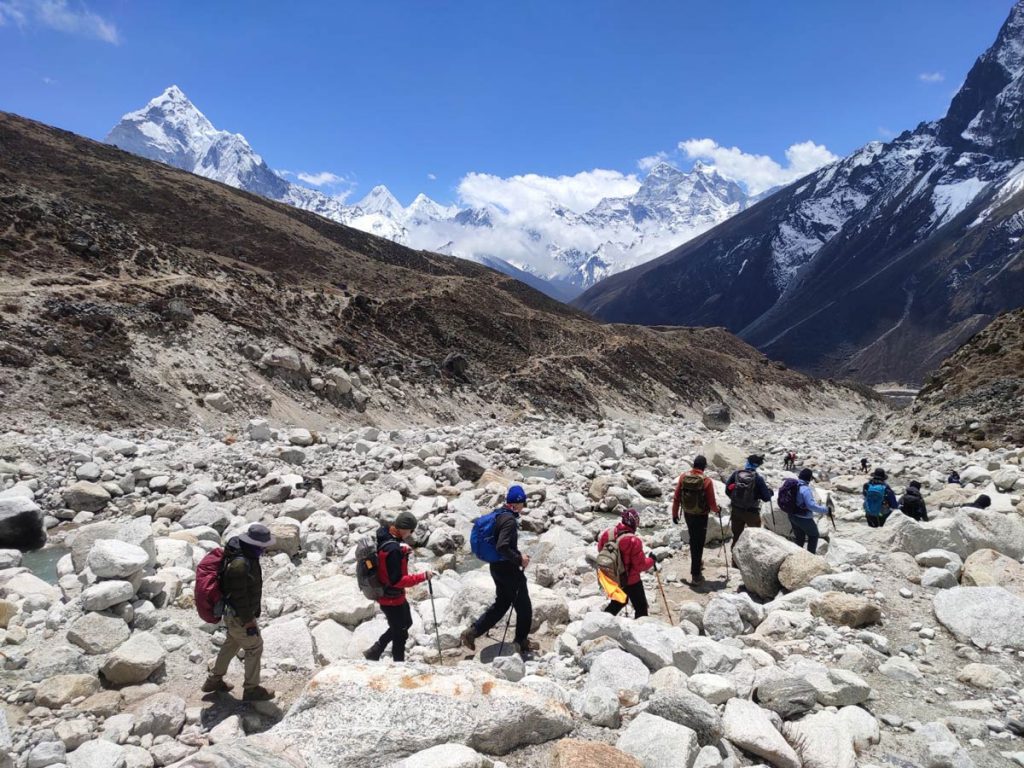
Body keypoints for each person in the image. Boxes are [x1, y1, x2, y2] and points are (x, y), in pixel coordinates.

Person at [461, 485, 536, 659]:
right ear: (517, 503)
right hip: (509, 569)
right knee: (524, 607)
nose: (523, 506)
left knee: (502, 604)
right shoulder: (509, 520)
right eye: (523, 503)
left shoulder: (499, 514)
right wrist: (520, 559)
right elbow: (502, 546)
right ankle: (521, 641)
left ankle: (472, 632)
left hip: (496, 567)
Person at [203, 524, 276, 701]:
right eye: (263, 546)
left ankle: (214, 680)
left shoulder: (243, 554)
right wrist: (248, 620)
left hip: (232, 614)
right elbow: (239, 597)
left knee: (232, 643)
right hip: (239, 615)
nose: (265, 549)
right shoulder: (240, 564)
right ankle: (251, 689)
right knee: (254, 646)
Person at [364, 511, 433, 662]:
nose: (412, 533)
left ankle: (375, 650)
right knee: (400, 634)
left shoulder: (386, 534)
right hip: (391, 597)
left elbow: (386, 558)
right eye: (411, 530)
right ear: (404, 528)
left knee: (406, 623)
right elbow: (398, 581)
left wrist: (403, 551)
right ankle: (399, 666)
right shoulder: (394, 549)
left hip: (390, 594)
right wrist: (422, 576)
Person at [598, 508, 655, 617]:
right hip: (631, 581)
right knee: (641, 607)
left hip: (612, 576)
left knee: (618, 603)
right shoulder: (634, 541)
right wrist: (652, 560)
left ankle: (603, 621)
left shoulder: (608, 533)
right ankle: (640, 630)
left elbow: (600, 550)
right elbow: (641, 566)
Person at [672, 455, 719, 586]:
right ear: (704, 467)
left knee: (694, 539)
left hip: (688, 514)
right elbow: (711, 503)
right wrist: (717, 510)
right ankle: (696, 575)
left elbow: (676, 497)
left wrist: (674, 514)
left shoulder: (683, 477)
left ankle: (697, 564)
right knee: (698, 542)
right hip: (701, 515)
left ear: (693, 465)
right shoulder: (707, 481)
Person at [726, 454, 773, 545]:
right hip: (752, 512)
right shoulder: (758, 479)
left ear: (748, 463)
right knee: (755, 536)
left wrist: (735, 499)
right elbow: (766, 498)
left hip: (736, 510)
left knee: (737, 535)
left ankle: (734, 555)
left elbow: (727, 490)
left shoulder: (736, 474)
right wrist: (770, 492)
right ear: (757, 466)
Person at [788, 469, 828, 553]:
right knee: (814, 535)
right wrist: (825, 510)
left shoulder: (793, 485)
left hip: (792, 515)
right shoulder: (805, 489)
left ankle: (797, 555)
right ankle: (810, 555)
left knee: (799, 537)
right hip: (803, 518)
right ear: (809, 478)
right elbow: (811, 506)